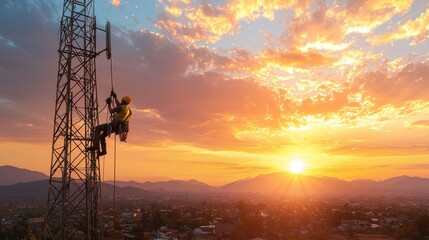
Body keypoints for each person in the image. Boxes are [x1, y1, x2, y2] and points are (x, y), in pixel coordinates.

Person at [87, 91, 132, 156]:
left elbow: (111, 110)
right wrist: (115, 97)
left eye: (122, 100)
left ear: (123, 101)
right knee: (102, 136)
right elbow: (119, 105)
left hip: (112, 125)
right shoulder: (127, 109)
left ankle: (96, 146)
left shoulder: (121, 107)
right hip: (116, 127)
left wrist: (108, 104)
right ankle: (103, 151)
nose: (121, 101)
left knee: (97, 128)